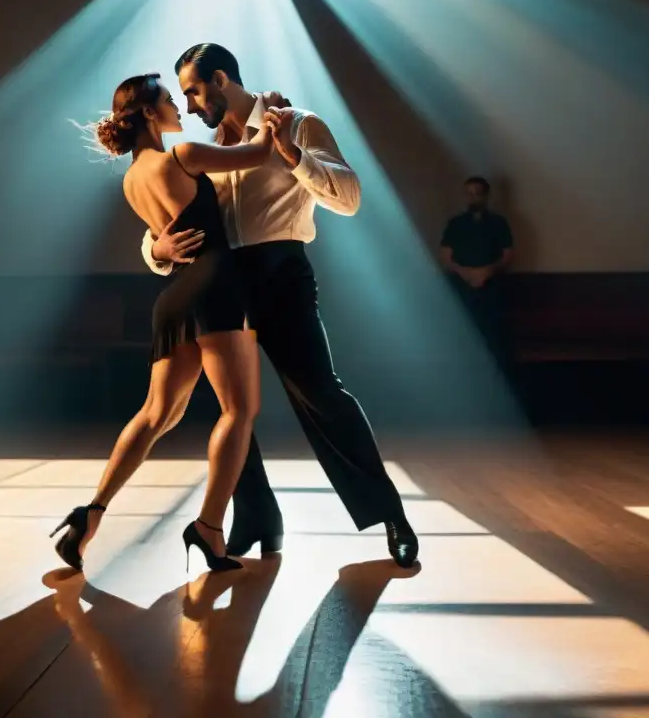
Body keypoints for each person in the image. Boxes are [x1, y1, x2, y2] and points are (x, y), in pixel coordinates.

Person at [142, 44, 418, 568]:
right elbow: (161, 226)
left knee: (322, 394)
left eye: (194, 92)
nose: (191, 106)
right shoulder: (200, 154)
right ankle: (256, 519)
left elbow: (350, 197)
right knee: (228, 411)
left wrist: (294, 157)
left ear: (221, 79)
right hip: (221, 284)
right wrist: (155, 250)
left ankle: (391, 516)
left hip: (283, 275)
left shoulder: (297, 123)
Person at [51, 72, 277, 574]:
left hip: (174, 295)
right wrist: (273, 112)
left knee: (157, 414)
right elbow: (259, 153)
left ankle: (91, 513)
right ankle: (210, 528)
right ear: (150, 112)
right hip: (215, 287)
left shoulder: (132, 179)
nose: (179, 107)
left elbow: (164, 237)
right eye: (171, 100)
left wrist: (157, 247)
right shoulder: (183, 156)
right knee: (238, 411)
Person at [439, 176, 513, 363]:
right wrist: (466, 273)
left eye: (477, 194)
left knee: (493, 334)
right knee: (463, 330)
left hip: (492, 285)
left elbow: (507, 255)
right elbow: (446, 256)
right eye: (469, 194)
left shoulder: (498, 223)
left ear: (486, 196)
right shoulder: (456, 223)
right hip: (462, 285)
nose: (473, 198)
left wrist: (487, 271)